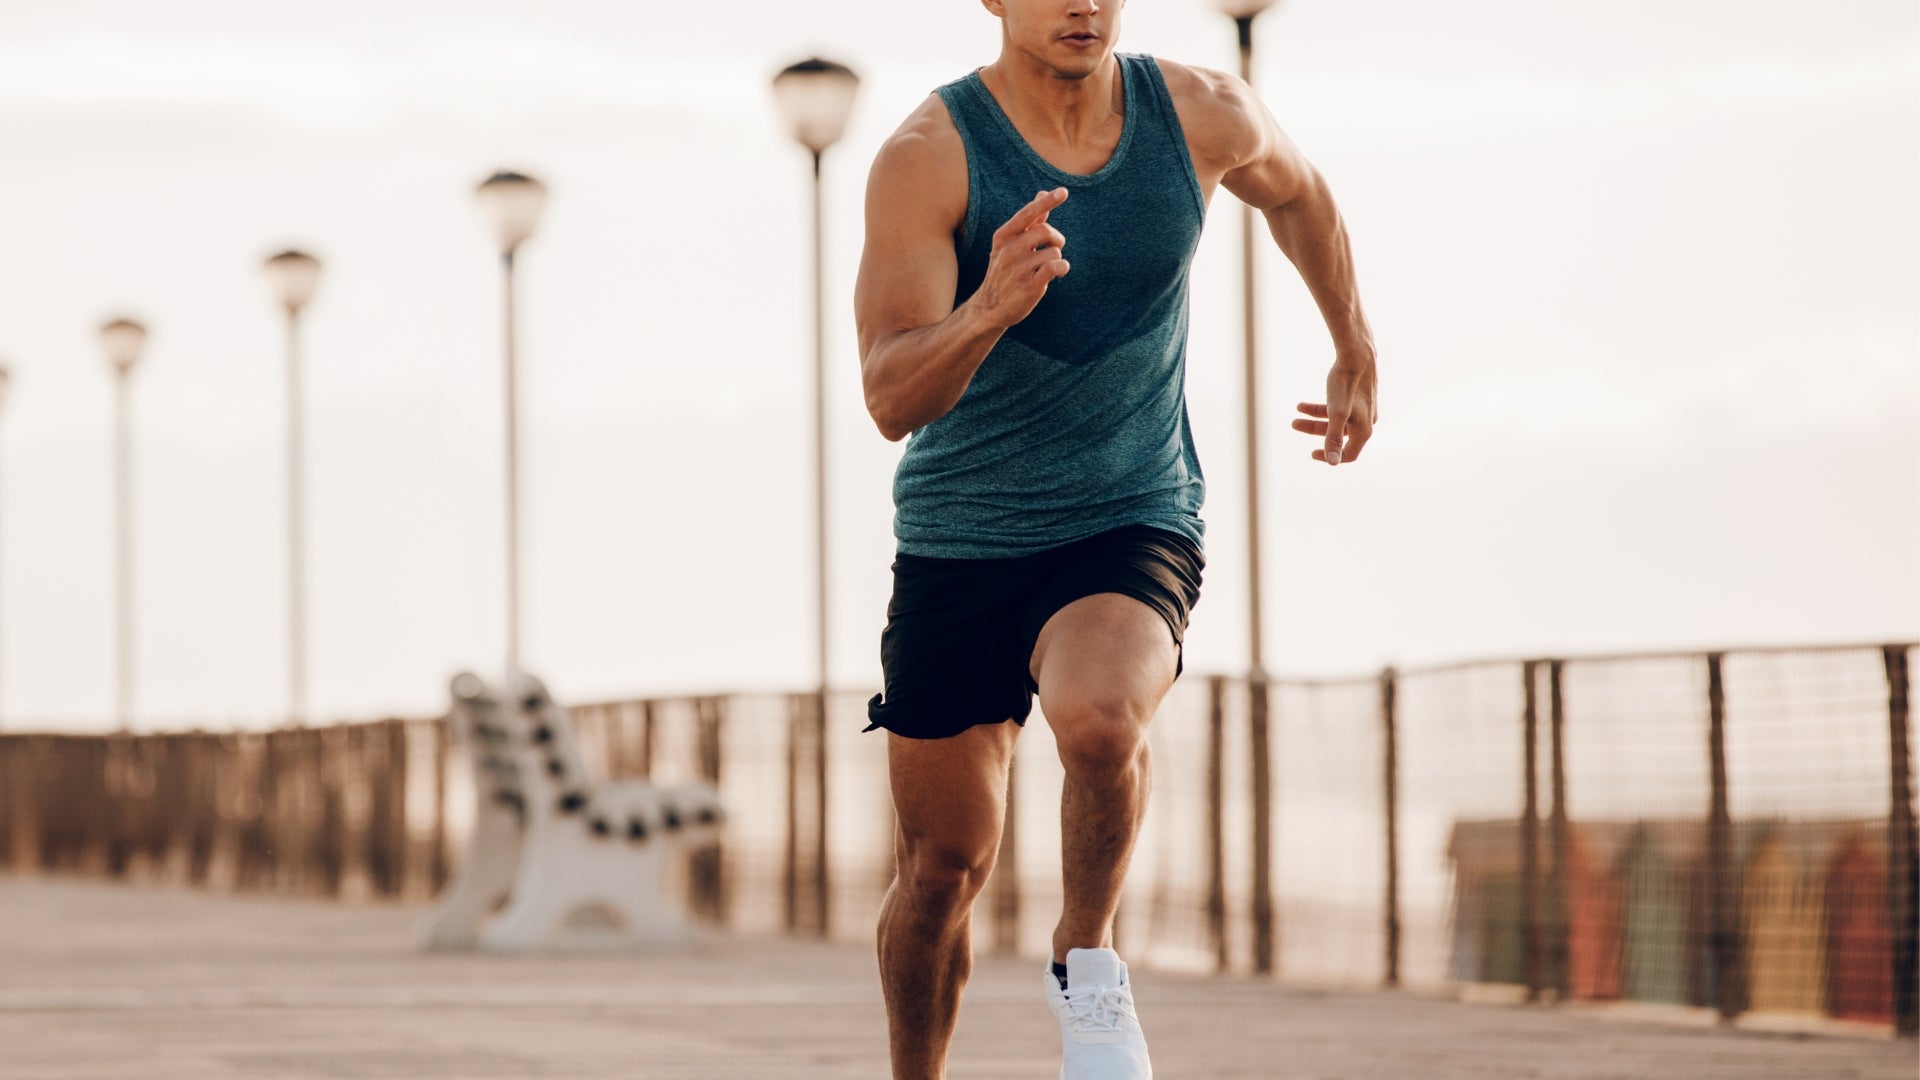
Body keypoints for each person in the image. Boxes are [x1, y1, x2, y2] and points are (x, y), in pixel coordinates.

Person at [852, 0, 1377, 1076]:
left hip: (1129, 512)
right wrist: (988, 307)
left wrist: (1352, 345)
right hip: (962, 535)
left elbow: (1301, 192)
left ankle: (1087, 966)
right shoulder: (929, 155)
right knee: (943, 869)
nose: (1081, 3)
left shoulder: (1201, 111)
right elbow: (892, 396)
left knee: (1099, 725)